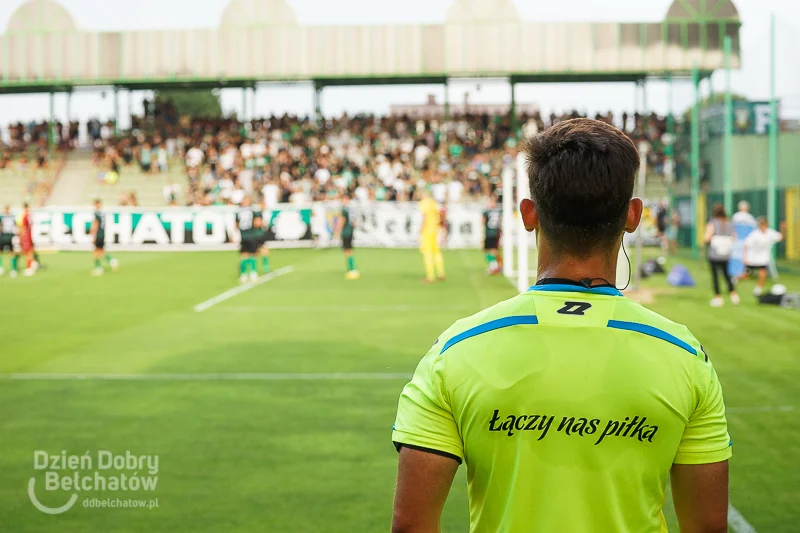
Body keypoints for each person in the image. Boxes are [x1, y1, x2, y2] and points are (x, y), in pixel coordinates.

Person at [392, 119, 731, 533]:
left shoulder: (454, 351)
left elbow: (411, 526)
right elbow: (708, 526)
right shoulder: (685, 356)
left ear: (528, 214)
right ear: (633, 215)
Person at [705, 203, 740, 307]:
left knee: (715, 276)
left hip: (714, 253)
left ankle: (718, 297)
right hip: (726, 254)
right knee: (726, 275)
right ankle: (733, 294)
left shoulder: (712, 223)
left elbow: (707, 237)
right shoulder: (729, 223)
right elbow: (734, 237)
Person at [741, 217, 785, 296]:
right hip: (752, 258)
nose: (763, 226)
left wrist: (783, 228)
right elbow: (746, 245)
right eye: (762, 225)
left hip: (763, 259)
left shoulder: (770, 233)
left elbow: (781, 237)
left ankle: (758, 289)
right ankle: (733, 281)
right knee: (745, 275)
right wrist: (745, 257)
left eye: (765, 225)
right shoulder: (754, 234)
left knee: (763, 273)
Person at [419, 192, 445, 283]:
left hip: (427, 230)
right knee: (436, 252)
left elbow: (425, 217)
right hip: (435, 229)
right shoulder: (433, 203)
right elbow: (440, 214)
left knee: (427, 253)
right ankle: (441, 273)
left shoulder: (424, 203)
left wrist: (421, 229)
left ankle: (430, 277)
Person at [333, 193, 359, 280]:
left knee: (347, 250)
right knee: (349, 250)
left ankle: (352, 268)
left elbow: (342, 220)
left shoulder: (344, 210)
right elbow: (355, 221)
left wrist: (337, 231)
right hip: (350, 231)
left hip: (346, 232)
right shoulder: (351, 209)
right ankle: (352, 268)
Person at [90, 199, 118, 276]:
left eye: (95, 204)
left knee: (96, 252)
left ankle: (98, 268)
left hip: (98, 234)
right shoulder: (103, 213)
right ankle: (112, 261)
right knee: (101, 251)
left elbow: (95, 224)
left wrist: (93, 235)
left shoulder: (97, 213)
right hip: (102, 234)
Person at [235, 196, 260, 283]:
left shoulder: (239, 211)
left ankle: (245, 274)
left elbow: (236, 224)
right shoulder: (252, 210)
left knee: (245, 255)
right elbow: (257, 223)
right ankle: (251, 273)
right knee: (250, 254)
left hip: (245, 235)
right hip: (250, 235)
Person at [482, 194, 502, 275]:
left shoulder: (487, 211)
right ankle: (497, 266)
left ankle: (494, 267)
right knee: (490, 250)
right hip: (495, 233)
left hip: (491, 233)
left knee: (492, 250)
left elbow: (482, 222)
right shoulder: (499, 211)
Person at [0, 205, 20, 278]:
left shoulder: (12, 217)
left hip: (10, 236)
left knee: (11, 252)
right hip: (3, 236)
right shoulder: (2, 217)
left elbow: (16, 226)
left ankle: (13, 269)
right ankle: (1, 267)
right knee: (1, 251)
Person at [18, 203, 36, 276]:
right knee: (29, 251)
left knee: (27, 252)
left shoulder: (25, 216)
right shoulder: (29, 216)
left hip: (26, 236)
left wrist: (21, 236)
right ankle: (31, 265)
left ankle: (29, 267)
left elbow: (23, 227)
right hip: (28, 235)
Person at [256, 197, 271, 275]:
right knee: (263, 251)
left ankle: (266, 269)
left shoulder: (264, 213)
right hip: (258, 235)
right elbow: (257, 224)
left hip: (261, 234)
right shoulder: (258, 214)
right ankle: (266, 269)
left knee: (259, 252)